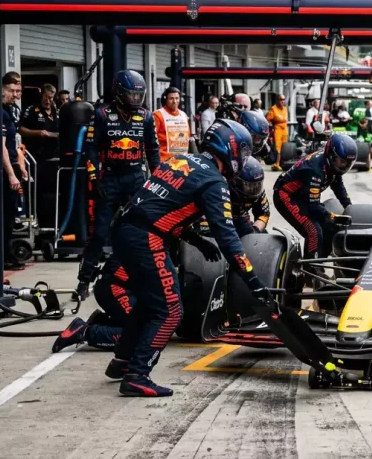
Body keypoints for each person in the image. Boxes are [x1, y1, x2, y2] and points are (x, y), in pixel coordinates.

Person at [107, 120, 258, 396]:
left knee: (150, 303)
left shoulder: (180, 159)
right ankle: (138, 375)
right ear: (231, 148)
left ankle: (122, 361)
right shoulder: (214, 181)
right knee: (170, 310)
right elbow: (227, 235)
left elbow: (164, 207)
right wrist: (252, 278)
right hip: (145, 238)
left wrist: (198, 241)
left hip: (124, 229)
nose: (244, 158)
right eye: (244, 151)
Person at [76, 70, 159, 300]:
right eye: (131, 95)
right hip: (110, 178)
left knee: (140, 230)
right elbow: (90, 147)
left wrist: (157, 177)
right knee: (100, 232)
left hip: (136, 177)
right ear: (119, 93)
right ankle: (84, 280)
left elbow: (153, 150)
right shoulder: (102, 114)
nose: (135, 99)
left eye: (138, 96)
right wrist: (94, 177)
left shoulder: (146, 116)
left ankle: (139, 277)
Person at [274, 133, 357, 259]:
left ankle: (318, 260)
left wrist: (350, 207)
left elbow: (339, 188)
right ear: (331, 155)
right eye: (342, 162)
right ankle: (310, 269)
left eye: (348, 163)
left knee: (332, 228)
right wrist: (332, 216)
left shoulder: (331, 165)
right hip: (286, 196)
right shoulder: (314, 170)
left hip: (303, 196)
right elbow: (314, 207)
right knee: (313, 230)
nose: (345, 166)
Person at [1, 73, 24, 271]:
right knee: (5, 216)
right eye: (11, 91)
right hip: (2, 172)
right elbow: (1, 147)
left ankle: (7, 253)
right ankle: (2, 256)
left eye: (18, 91)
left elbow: (14, 142)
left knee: (11, 216)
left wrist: (21, 165)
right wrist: (11, 174)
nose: (15, 95)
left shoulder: (9, 112)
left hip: (12, 165)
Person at [19, 83, 60, 162]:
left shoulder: (57, 111)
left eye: (50, 98)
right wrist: (39, 133)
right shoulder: (31, 110)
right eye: (46, 97)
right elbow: (21, 130)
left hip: (55, 155)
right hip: (36, 155)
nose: (48, 101)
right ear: (41, 95)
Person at [153, 86, 191, 162]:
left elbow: (187, 136)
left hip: (182, 160)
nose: (175, 101)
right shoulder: (158, 115)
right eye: (171, 98)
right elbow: (151, 139)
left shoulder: (183, 115)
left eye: (177, 98)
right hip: (164, 161)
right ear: (165, 100)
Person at [266, 94, 289, 171]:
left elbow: (286, 119)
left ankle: (283, 163)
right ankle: (277, 163)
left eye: (283, 99)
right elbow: (268, 120)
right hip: (277, 128)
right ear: (277, 100)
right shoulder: (273, 109)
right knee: (278, 146)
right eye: (280, 99)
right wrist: (271, 127)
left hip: (284, 128)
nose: (282, 101)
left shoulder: (285, 109)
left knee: (285, 146)